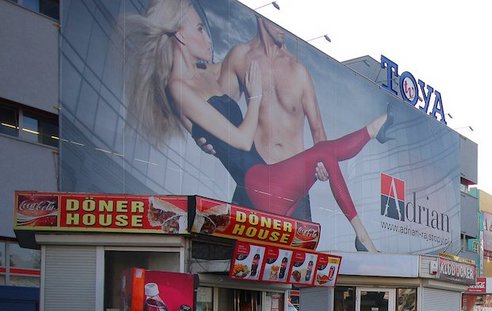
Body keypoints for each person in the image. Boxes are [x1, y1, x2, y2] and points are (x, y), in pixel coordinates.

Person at [122, 0, 390, 252]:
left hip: (278, 181)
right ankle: (363, 234)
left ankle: (374, 130)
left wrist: (205, 136)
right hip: (257, 184)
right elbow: (239, 139)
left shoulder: (212, 75)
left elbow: (215, 129)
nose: (208, 38)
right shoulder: (179, 86)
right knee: (324, 153)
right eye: (200, 28)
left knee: (324, 157)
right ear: (180, 35)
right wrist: (255, 98)